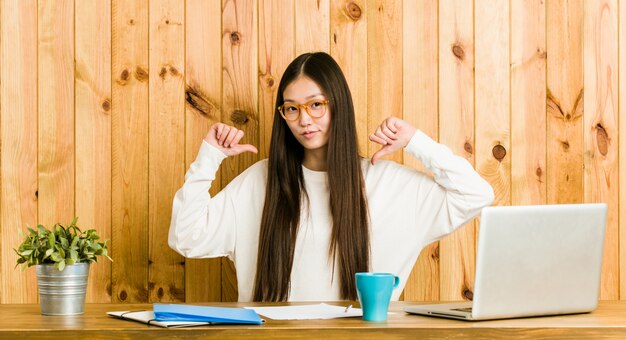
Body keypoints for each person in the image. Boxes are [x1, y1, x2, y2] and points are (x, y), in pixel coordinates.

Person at [169, 52, 494, 302]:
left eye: (316, 105)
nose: (304, 120)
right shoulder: (260, 183)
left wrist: (415, 141)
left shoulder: (390, 185)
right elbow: (186, 236)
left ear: (338, 105)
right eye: (292, 109)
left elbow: (476, 194)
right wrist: (209, 157)